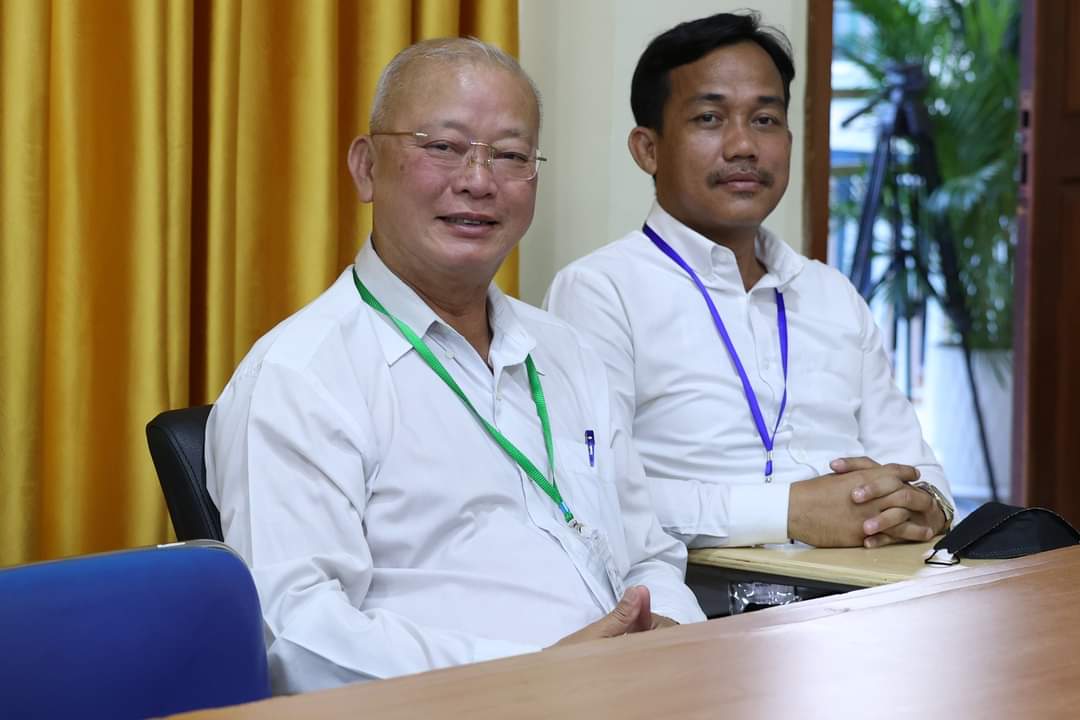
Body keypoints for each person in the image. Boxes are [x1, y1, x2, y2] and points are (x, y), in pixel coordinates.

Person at [205, 38, 704, 694]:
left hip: (634, 692)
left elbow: (650, 553)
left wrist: (672, 639)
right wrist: (531, 676)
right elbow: (295, 633)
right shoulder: (301, 377)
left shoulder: (568, 353)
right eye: (442, 146)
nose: (478, 181)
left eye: (511, 155)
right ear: (366, 168)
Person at [545, 12, 954, 550]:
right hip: (704, 590)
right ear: (648, 149)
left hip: (874, 580)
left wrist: (924, 506)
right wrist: (788, 513)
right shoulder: (600, 292)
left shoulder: (831, 294)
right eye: (710, 118)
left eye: (764, 120)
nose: (743, 146)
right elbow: (594, 494)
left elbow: (921, 470)